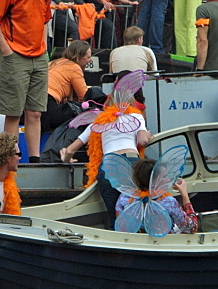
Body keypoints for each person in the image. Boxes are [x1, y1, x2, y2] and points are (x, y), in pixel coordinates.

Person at [0, 0, 60, 163]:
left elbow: (45, 20)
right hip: (15, 54)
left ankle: (35, 159)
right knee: (13, 113)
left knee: (35, 112)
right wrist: (7, 51)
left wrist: (44, 49)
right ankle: (10, 158)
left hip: (38, 55)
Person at [60, 84, 152, 228]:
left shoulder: (98, 121)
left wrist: (66, 158)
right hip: (132, 164)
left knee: (114, 216)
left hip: (109, 166)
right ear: (131, 101)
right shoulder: (135, 117)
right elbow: (143, 141)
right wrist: (148, 133)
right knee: (138, 212)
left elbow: (71, 150)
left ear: (109, 101)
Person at [114, 158, 197, 234]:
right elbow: (191, 228)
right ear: (152, 181)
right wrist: (184, 194)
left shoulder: (124, 197)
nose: (168, 180)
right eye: (164, 177)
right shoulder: (168, 201)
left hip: (135, 244)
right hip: (162, 245)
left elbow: (122, 228)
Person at [43, 39, 91, 131]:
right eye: (88, 57)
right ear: (79, 57)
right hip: (48, 101)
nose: (90, 60)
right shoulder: (74, 67)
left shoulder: (54, 62)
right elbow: (85, 96)